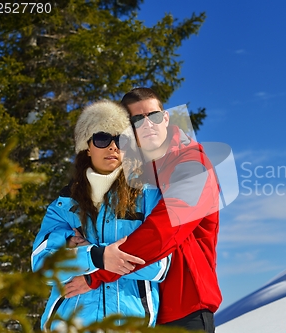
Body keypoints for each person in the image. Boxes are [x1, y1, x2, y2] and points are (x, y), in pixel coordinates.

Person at [72, 88, 221, 333]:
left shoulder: (192, 164)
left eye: (153, 115)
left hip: (184, 308)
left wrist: (96, 272)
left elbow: (164, 230)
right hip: (140, 310)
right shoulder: (132, 171)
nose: (148, 124)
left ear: (165, 118)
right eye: (137, 119)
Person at [31, 100, 171, 331]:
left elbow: (159, 266)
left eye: (121, 140)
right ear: (88, 146)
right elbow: (42, 266)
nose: (113, 147)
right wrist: (97, 256)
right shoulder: (65, 204)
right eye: (102, 138)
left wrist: (84, 254)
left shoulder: (148, 196)